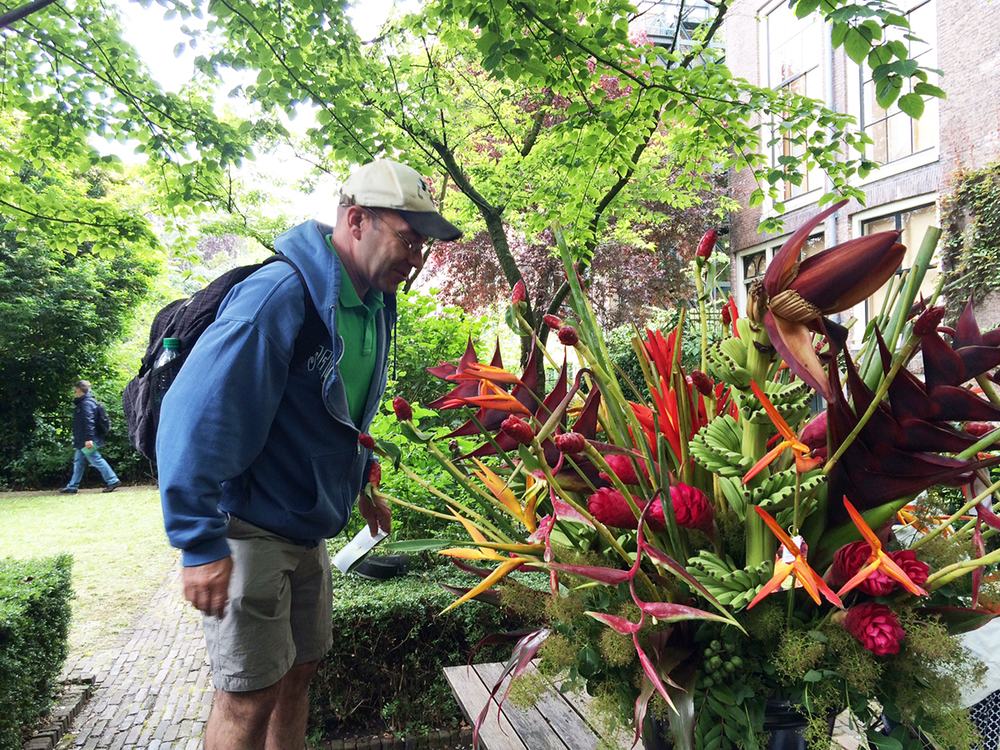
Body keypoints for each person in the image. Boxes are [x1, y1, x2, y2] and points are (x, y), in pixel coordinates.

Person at [156, 159, 461, 750]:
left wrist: (363, 479)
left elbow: (336, 411)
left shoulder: (373, 302)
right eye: (408, 237)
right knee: (247, 699)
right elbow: (193, 419)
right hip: (249, 528)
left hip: (307, 529)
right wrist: (198, 542)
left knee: (298, 678)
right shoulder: (276, 298)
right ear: (356, 220)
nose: (417, 257)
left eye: (423, 244)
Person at [60, 380, 120, 494]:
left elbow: (89, 422)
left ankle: (112, 480)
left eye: (76, 390)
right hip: (84, 440)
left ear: (79, 390)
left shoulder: (86, 404)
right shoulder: (89, 402)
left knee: (96, 459)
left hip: (87, 440)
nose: (75, 392)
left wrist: (89, 439)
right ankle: (72, 486)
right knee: (78, 462)